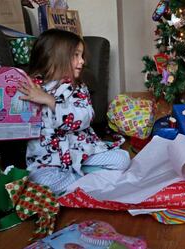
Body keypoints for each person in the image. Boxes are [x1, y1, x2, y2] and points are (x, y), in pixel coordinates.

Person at [18, 29, 130, 195]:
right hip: (49, 160)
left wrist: (51, 102)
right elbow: (20, 119)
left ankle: (83, 174)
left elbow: (86, 116)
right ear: (55, 57)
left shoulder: (77, 88)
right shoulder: (31, 88)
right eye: (76, 55)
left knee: (122, 159)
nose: (82, 61)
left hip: (81, 152)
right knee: (40, 183)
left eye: (82, 55)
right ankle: (84, 179)